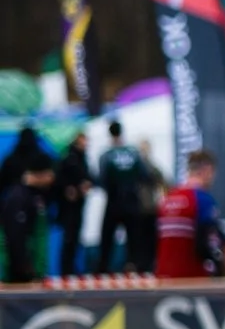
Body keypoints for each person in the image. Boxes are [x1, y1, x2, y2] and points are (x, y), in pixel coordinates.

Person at [155, 150, 225, 280]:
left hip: (164, 276)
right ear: (207, 170)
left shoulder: (167, 199)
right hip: (191, 277)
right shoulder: (203, 199)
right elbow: (208, 241)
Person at [95, 121, 150, 272]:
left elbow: (101, 179)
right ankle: (135, 267)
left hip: (114, 200)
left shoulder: (106, 155)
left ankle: (103, 268)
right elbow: (145, 175)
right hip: (132, 200)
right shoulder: (134, 153)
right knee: (134, 238)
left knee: (107, 238)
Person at [2, 154, 54, 284]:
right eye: (49, 174)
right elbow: (15, 237)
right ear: (40, 174)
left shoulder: (35, 196)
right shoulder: (18, 197)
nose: (52, 178)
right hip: (20, 275)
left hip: (32, 271)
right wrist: (26, 271)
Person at [49, 129, 92, 277]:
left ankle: (72, 268)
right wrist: (68, 189)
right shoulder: (68, 157)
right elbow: (58, 179)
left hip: (79, 204)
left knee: (74, 238)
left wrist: (86, 184)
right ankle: (65, 270)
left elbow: (88, 176)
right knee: (68, 238)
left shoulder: (82, 158)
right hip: (67, 207)